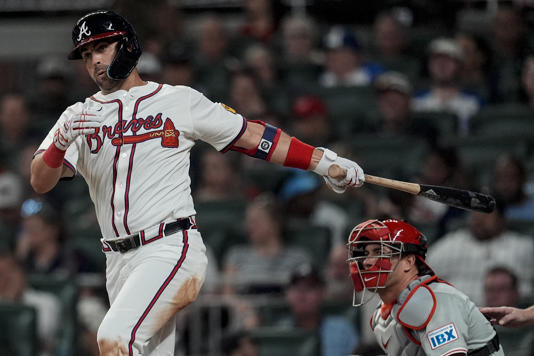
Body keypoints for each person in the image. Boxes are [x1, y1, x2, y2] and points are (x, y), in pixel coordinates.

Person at [30, 10, 364, 355]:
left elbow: (252, 136)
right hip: (117, 261)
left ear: (127, 45)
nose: (94, 60)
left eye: (102, 47)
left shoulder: (178, 101)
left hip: (168, 247)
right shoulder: (78, 116)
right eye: (86, 54)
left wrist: (322, 161)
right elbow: (40, 180)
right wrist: (59, 142)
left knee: (114, 337)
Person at [347, 218, 504, 355]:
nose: (367, 262)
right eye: (366, 254)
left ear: (408, 262)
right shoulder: (382, 313)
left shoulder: (436, 302)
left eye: (379, 252)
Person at [426, 200, 534, 305]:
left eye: (485, 215)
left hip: (506, 315)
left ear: (502, 218)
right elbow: (423, 277)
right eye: (475, 214)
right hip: (458, 315)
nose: (479, 219)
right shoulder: (450, 244)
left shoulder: (523, 247)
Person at [276, 264, 359, 356]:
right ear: (288, 295)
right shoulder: (279, 334)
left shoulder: (343, 331)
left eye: (309, 288)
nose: (302, 295)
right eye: (297, 288)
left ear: (322, 293)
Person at [412, 37, 482, 135]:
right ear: (429, 65)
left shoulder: (474, 101)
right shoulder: (416, 102)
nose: (441, 65)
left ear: (459, 65)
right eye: (436, 60)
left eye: (448, 60)